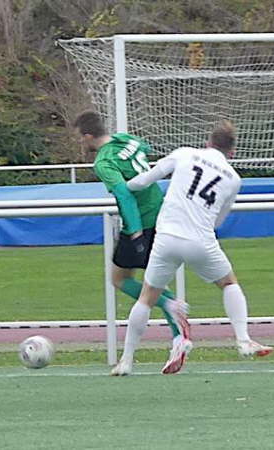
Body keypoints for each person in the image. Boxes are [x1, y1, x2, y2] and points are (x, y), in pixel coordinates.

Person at [110, 120, 273, 376]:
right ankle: (243, 340)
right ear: (232, 152)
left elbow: (144, 180)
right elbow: (219, 219)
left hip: (167, 238)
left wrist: (122, 188)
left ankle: (126, 360)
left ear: (207, 142)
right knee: (229, 283)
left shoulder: (185, 153)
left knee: (147, 296)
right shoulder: (233, 178)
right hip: (200, 241)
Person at [73, 111, 190, 373]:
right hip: (161, 212)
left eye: (81, 139)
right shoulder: (127, 139)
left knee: (120, 279)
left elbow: (125, 195)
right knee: (154, 280)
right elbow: (145, 149)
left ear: (89, 136)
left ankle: (171, 310)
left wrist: (134, 231)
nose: (81, 144)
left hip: (141, 221)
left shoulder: (103, 163)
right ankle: (178, 338)